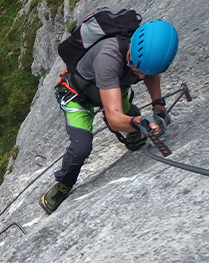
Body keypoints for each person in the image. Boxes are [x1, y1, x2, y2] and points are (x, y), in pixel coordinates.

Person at [39, 19, 179, 214]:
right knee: (81, 147)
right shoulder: (108, 57)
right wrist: (138, 123)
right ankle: (63, 185)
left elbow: (150, 73)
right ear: (130, 53)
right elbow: (114, 118)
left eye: (144, 72)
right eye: (137, 69)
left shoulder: (145, 55)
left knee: (127, 114)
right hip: (77, 96)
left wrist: (158, 106)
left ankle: (132, 131)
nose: (140, 77)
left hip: (115, 86)